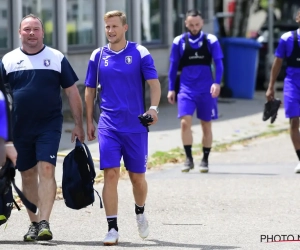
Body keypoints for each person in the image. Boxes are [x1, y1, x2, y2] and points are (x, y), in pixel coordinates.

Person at [0, 14, 85, 241]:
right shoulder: (8, 60)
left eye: (36, 29)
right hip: (19, 127)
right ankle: (34, 224)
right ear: (19, 33)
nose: (31, 33)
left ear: (42, 33)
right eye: (27, 29)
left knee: (46, 168)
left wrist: (79, 124)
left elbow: (72, 92)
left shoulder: (56, 58)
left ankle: (45, 221)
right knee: (27, 175)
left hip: (49, 124)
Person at [84, 10, 161, 246]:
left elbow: (154, 84)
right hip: (108, 125)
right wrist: (89, 120)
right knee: (110, 173)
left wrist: (154, 108)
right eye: (107, 27)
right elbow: (89, 90)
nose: (110, 31)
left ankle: (140, 211)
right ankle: (112, 228)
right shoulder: (98, 55)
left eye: (114, 26)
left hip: (135, 125)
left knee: (138, 178)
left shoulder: (139, 52)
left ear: (124, 28)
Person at [167, 10, 224, 173]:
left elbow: (219, 64)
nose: (194, 27)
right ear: (186, 24)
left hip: (207, 89)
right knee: (185, 123)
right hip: (186, 89)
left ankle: (205, 159)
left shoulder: (210, 40)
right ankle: (188, 158)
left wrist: (217, 83)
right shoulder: (179, 41)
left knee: (206, 125)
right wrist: (171, 88)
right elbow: (173, 66)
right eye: (191, 25)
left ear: (202, 23)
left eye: (197, 24)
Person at [266, 9, 300, 174]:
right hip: (293, 83)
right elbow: (277, 62)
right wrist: (271, 86)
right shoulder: (287, 39)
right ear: (298, 18)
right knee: (294, 121)